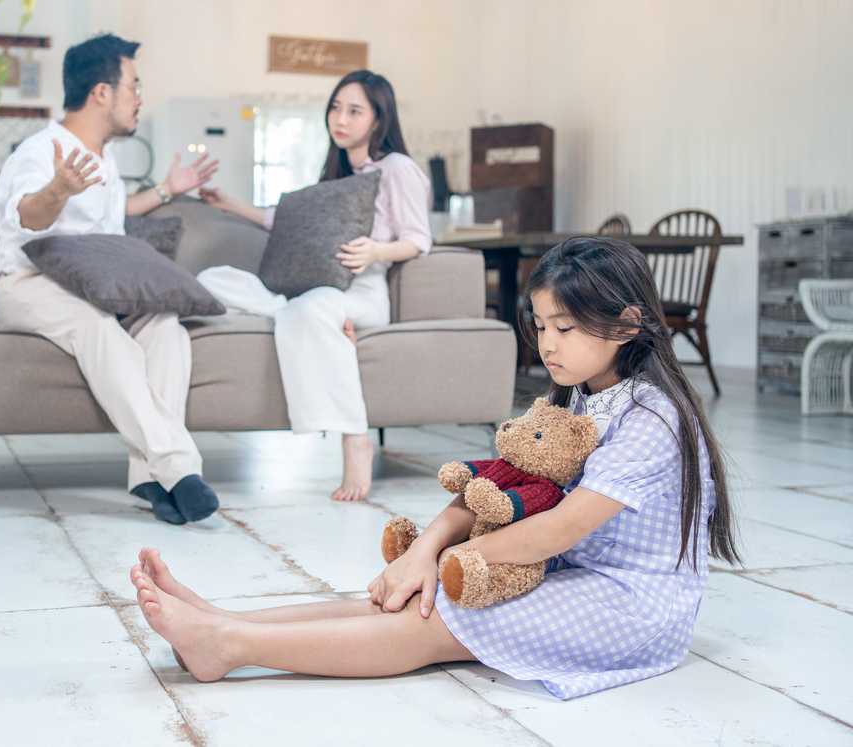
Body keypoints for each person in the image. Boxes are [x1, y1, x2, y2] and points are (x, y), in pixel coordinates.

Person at [128, 236, 741, 699]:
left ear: (627, 324)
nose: (548, 344)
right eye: (541, 324)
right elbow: (497, 484)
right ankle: (222, 621)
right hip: (568, 572)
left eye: (567, 327)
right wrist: (423, 551)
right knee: (409, 595)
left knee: (432, 618)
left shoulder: (653, 418)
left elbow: (560, 529)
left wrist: (449, 562)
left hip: (629, 607)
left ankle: (230, 646)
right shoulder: (576, 394)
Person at [0, 34, 221, 525]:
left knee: (167, 329)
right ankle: (179, 467)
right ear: (101, 93)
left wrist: (167, 189)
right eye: (133, 86)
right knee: (96, 327)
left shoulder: (103, 157)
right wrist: (57, 189)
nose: (140, 98)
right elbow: (28, 215)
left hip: (92, 284)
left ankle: (148, 477)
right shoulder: (43, 152)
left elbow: (109, 220)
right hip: (26, 285)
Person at [196, 70, 433, 502]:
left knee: (312, 308)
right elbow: (285, 223)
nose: (340, 119)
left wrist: (375, 251)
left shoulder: (398, 169)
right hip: (314, 291)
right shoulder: (337, 174)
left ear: (379, 120)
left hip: (362, 291)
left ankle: (353, 439)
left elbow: (419, 239)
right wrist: (228, 204)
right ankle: (317, 321)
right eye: (335, 108)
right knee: (214, 281)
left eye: (354, 111)